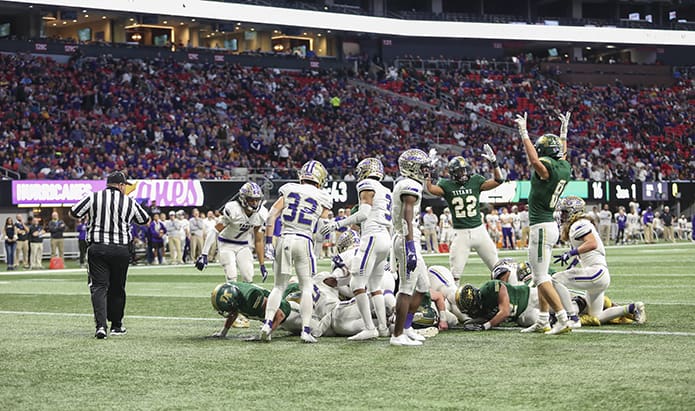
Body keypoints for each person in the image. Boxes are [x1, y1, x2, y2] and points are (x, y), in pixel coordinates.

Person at [69, 171, 150, 339]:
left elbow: (74, 212)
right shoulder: (129, 202)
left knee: (99, 287)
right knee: (117, 288)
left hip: (97, 248)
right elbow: (144, 219)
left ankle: (100, 326)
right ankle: (117, 325)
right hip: (120, 249)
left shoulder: (93, 197)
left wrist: (92, 217)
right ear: (120, 185)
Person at [260, 160, 333, 343]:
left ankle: (267, 324)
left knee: (278, 286)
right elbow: (323, 226)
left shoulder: (289, 188)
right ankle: (305, 330)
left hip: (284, 238)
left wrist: (269, 241)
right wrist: (320, 245)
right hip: (304, 240)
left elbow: (271, 216)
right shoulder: (323, 196)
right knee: (307, 287)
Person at [515, 110, 574, 335]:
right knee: (543, 275)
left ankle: (561, 317)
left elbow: (534, 161)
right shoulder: (564, 166)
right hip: (550, 225)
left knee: (539, 277)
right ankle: (542, 319)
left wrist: (524, 133)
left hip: (540, 227)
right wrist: (564, 133)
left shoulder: (546, 168)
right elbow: (563, 154)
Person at [320, 157, 392, 340]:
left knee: (356, 283)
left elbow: (364, 214)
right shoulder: (386, 189)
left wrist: (338, 224)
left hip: (373, 236)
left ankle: (369, 327)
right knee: (375, 286)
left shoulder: (367, 184)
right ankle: (383, 327)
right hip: (385, 238)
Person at [425, 144, 503, 284]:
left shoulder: (475, 181)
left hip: (480, 231)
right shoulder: (446, 184)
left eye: (464, 171)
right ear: (453, 173)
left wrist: (494, 162)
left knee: (498, 269)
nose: (463, 174)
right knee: (455, 275)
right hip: (461, 234)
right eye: (459, 172)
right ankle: (454, 304)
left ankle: (499, 295)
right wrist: (428, 170)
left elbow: (499, 180)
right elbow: (429, 188)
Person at [391, 149, 433, 346]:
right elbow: (407, 214)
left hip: (409, 237)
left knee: (423, 286)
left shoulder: (407, 182)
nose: (426, 170)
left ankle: (407, 328)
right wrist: (409, 244)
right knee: (406, 288)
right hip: (407, 238)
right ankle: (397, 335)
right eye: (423, 167)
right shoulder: (409, 185)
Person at [195, 182, 268, 286]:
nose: (255, 203)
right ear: (243, 198)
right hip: (226, 244)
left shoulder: (261, 214)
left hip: (243, 245)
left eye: (257, 200)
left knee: (248, 276)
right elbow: (214, 230)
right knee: (231, 275)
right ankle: (231, 300)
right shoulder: (234, 210)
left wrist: (262, 264)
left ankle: (245, 301)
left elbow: (258, 240)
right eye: (251, 199)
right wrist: (204, 254)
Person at [552, 196, 610, 326]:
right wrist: (572, 263)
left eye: (565, 212)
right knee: (596, 316)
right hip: (601, 274)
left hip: (595, 272)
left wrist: (570, 253)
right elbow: (585, 252)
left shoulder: (579, 224)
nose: (562, 215)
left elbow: (592, 243)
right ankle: (631, 309)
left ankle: (572, 317)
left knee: (556, 279)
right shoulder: (581, 223)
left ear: (573, 211)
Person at [210, 282, 301, 339]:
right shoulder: (234, 292)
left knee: (314, 330)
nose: (228, 312)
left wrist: (266, 334)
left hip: (292, 316)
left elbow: (280, 315)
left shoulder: (252, 297)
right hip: (282, 319)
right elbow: (234, 311)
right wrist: (223, 332)